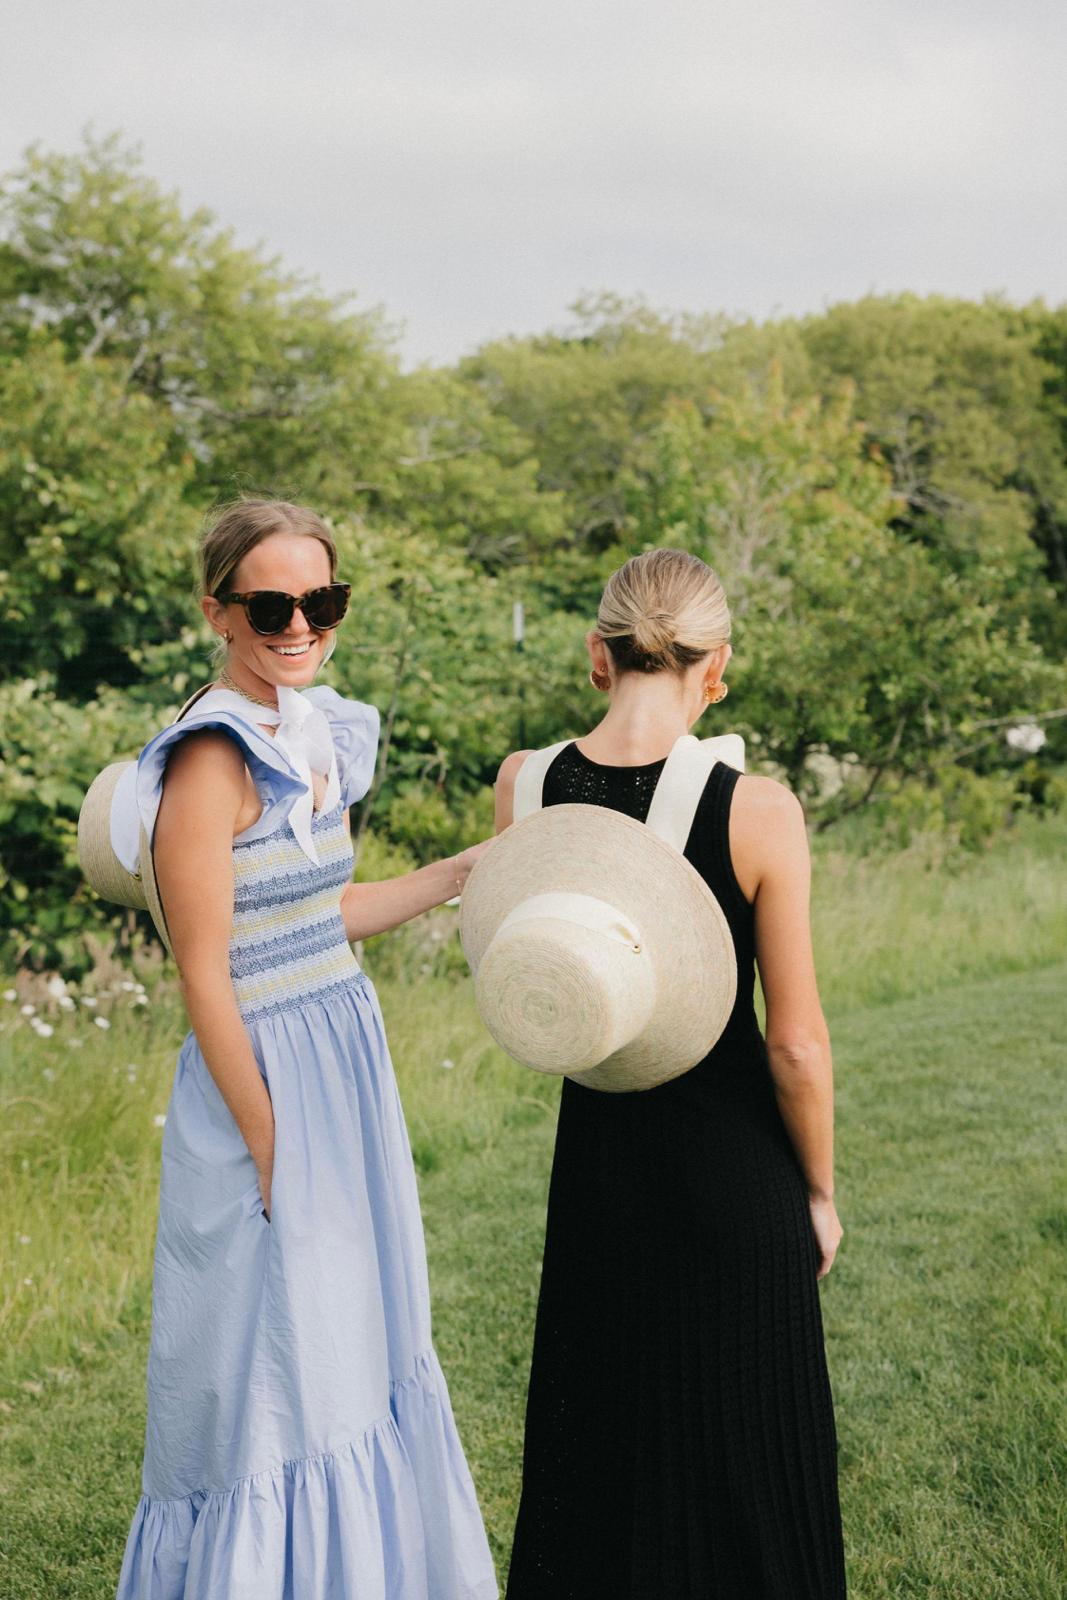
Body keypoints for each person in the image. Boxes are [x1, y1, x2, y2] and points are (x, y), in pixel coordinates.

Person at [113, 500, 498, 1600]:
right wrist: (273, 1143)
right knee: (272, 1371)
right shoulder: (210, 763)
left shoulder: (315, 726)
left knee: (355, 1353)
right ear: (217, 611)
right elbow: (207, 974)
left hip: (343, 1067)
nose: (298, 625)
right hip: (264, 1088)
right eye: (270, 604)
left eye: (318, 602)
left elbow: (311, 915)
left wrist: (458, 870)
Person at [496, 549, 847, 1599]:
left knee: (597, 1454)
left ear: (595, 659)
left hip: (598, 1165)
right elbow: (793, 1043)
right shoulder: (758, 810)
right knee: (746, 1462)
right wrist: (818, 1191)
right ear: (718, 669)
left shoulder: (525, 785)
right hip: (730, 1170)